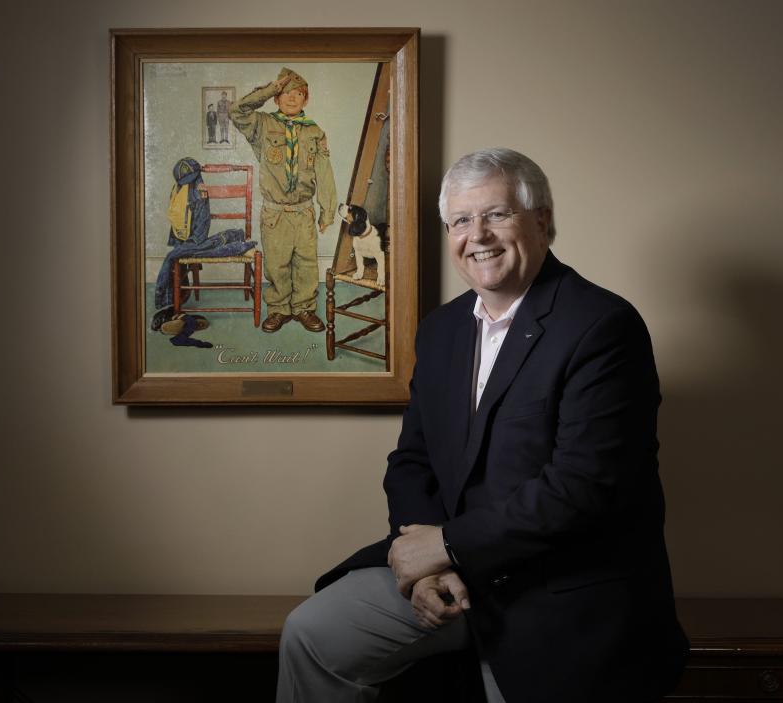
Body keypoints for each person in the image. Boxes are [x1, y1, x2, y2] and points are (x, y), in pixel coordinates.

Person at [277, 148, 689, 702]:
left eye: (496, 215)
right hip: (451, 573)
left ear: (541, 220)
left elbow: (584, 489)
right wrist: (422, 568)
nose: (479, 235)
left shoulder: (602, 327)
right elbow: (412, 461)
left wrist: (446, 545)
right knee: (313, 635)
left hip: (556, 589)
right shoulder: (442, 330)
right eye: (461, 221)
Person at [229, 69, 336, 333]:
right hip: (275, 213)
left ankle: (304, 308)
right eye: (286, 93)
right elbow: (236, 111)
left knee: (306, 263)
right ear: (277, 97)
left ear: (305, 100)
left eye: (298, 94)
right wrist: (268, 89)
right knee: (277, 263)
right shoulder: (262, 125)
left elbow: (324, 173)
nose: (292, 98)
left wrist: (327, 211)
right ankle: (278, 309)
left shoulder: (314, 132)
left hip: (303, 212)